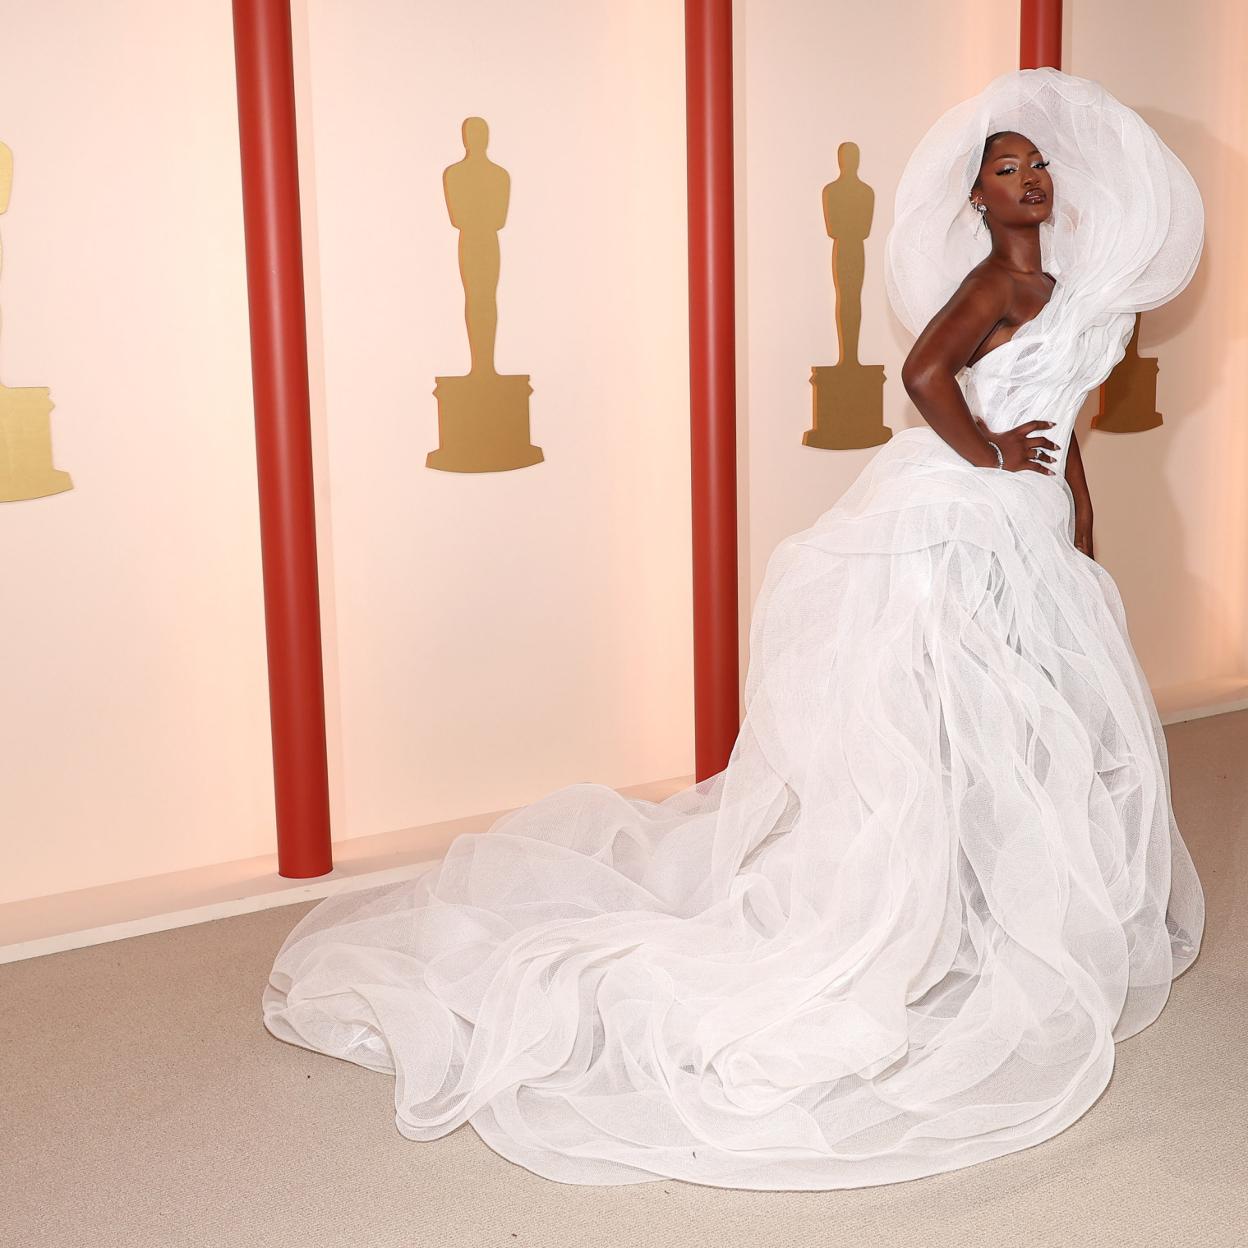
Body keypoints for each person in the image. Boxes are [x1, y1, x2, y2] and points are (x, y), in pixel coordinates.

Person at [262, 68, 1206, 1191]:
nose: (1030, 181)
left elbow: (1064, 426)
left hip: (1024, 532)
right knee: (943, 723)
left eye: (1039, 165)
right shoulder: (989, 284)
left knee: (1019, 723)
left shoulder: (1068, 291)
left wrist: (1073, 516)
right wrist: (991, 456)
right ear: (976, 197)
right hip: (949, 531)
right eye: (1006, 169)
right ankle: (903, 926)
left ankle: (982, 918)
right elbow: (922, 373)